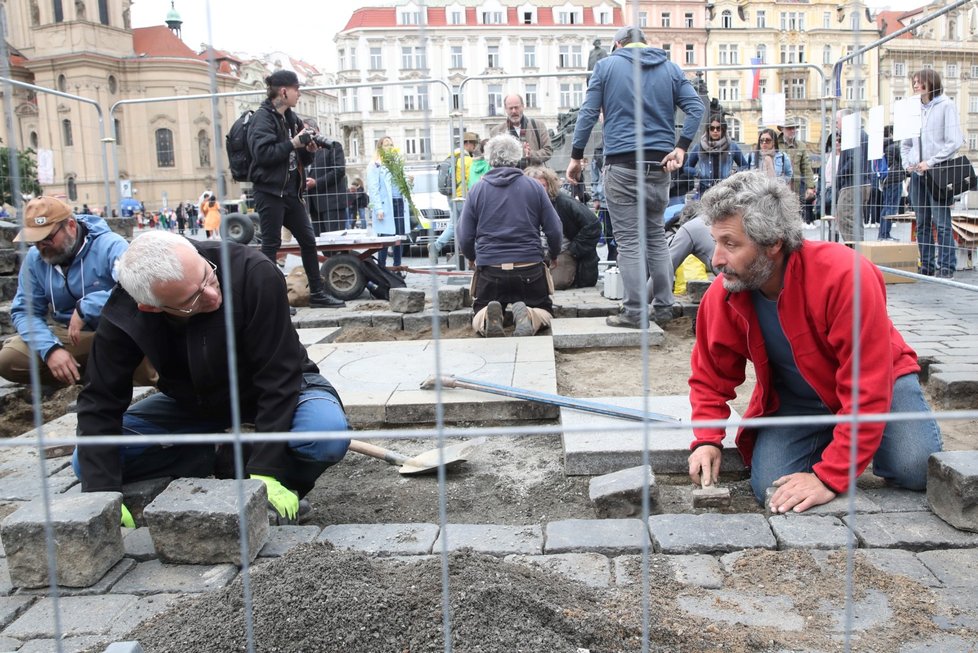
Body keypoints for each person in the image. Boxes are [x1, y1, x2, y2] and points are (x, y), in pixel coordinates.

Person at [686, 171, 942, 513]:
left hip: (882, 383)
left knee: (914, 469)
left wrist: (828, 478)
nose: (716, 259)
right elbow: (710, 377)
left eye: (730, 244)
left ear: (773, 243)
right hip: (799, 402)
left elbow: (868, 384)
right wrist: (706, 439)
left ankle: (857, 445)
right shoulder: (724, 295)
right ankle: (845, 441)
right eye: (716, 241)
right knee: (771, 488)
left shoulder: (845, 276)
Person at [73, 231, 350, 525]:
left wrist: (268, 470)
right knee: (88, 463)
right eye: (192, 299)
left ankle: (273, 480)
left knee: (326, 434)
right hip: (193, 405)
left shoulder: (252, 272)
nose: (212, 295)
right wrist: (103, 495)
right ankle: (219, 456)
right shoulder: (126, 311)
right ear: (151, 307)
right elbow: (99, 399)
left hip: (284, 392)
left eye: (208, 276)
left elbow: (279, 376)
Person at [567, 26, 704, 329]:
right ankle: (665, 306)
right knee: (655, 237)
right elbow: (696, 108)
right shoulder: (669, 67)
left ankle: (634, 312)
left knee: (629, 242)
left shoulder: (605, 66)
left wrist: (576, 157)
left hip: (623, 165)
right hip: (660, 166)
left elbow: (588, 114)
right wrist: (681, 147)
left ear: (618, 45)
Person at [0, 196, 154, 387]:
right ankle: (87, 379)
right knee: (10, 359)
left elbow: (136, 290)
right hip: (74, 338)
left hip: (117, 332)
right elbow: (25, 311)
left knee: (132, 341)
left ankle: (132, 386)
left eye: (47, 238)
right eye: (35, 241)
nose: (41, 246)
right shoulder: (35, 258)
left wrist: (88, 307)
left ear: (71, 226)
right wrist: (51, 350)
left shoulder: (110, 245)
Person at [247, 69, 345, 308]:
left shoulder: (290, 118)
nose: (299, 94)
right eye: (296, 89)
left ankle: (318, 294)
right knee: (271, 246)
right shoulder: (263, 118)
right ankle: (273, 303)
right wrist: (293, 143)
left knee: (308, 242)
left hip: (291, 192)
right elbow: (263, 155)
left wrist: (307, 151)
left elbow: (297, 158)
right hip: (269, 192)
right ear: (283, 91)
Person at [457, 135, 562, 337]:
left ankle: (488, 316)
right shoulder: (535, 188)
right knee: (545, 311)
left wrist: (471, 256)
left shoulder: (477, 190)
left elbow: (465, 234)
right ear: (518, 158)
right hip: (529, 267)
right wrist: (554, 253)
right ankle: (530, 316)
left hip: (491, 269)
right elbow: (554, 228)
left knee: (477, 312)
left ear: (489, 159)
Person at [901, 68, 965, 278]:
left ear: (931, 83)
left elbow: (954, 141)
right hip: (918, 174)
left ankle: (947, 266)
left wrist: (930, 161)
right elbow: (906, 142)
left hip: (938, 172)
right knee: (922, 222)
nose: (916, 85)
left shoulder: (946, 106)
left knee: (942, 221)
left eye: (920, 81)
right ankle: (926, 265)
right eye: (914, 81)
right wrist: (907, 164)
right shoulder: (913, 109)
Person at [524, 166, 601, 289]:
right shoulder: (524, 205)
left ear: (549, 185)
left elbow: (593, 225)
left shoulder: (564, 202)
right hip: (536, 253)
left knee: (555, 283)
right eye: (533, 186)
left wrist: (573, 251)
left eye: (542, 186)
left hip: (564, 251)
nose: (538, 190)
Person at [430, 131, 480, 261]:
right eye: (474, 144)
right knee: (468, 225)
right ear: (468, 144)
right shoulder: (467, 160)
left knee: (454, 224)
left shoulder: (451, 156)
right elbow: (471, 180)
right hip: (462, 197)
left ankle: (436, 246)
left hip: (451, 196)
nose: (474, 148)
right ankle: (468, 254)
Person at [366, 135, 408, 270]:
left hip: (399, 202)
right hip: (385, 206)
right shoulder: (375, 165)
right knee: (385, 238)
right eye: (386, 145)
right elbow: (373, 189)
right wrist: (378, 209)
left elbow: (400, 184)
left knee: (398, 237)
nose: (389, 147)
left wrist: (408, 182)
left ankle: (397, 267)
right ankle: (381, 267)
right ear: (380, 148)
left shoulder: (397, 164)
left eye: (391, 144)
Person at [684, 114, 747, 197]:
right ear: (708, 130)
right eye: (712, 128)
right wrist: (698, 172)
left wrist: (735, 173)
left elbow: (744, 165)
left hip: (726, 191)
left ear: (723, 130)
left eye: (718, 128)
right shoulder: (699, 147)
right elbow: (686, 167)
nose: (715, 131)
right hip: (705, 191)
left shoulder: (732, 146)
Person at [833, 108, 871, 243]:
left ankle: (853, 256)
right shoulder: (863, 134)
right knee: (855, 222)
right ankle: (858, 254)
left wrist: (839, 176)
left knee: (846, 220)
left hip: (851, 185)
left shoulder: (852, 134)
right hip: (863, 182)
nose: (836, 125)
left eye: (837, 121)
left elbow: (853, 161)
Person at [304, 118, 347, 235]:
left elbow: (339, 171)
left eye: (307, 131)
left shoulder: (333, 146)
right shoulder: (303, 151)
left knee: (336, 243)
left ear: (316, 130)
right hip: (314, 205)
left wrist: (316, 182)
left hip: (332, 203)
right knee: (321, 245)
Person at [489, 94, 552, 169]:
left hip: (534, 177)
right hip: (510, 178)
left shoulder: (538, 126)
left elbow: (548, 151)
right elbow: (493, 159)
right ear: (505, 109)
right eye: (510, 108)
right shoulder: (496, 131)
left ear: (523, 106)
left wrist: (530, 154)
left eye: (516, 107)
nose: (514, 111)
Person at [777, 117, 817, 224]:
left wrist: (810, 187)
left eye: (794, 128)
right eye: (789, 128)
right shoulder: (776, 144)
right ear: (782, 129)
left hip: (797, 187)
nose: (792, 131)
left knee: (795, 215)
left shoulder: (801, 146)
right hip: (779, 186)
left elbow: (806, 167)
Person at [879, 125, 905, 241]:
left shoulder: (884, 146)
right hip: (895, 178)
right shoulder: (894, 146)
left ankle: (883, 234)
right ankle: (885, 234)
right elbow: (903, 160)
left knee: (887, 206)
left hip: (888, 179)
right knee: (891, 207)